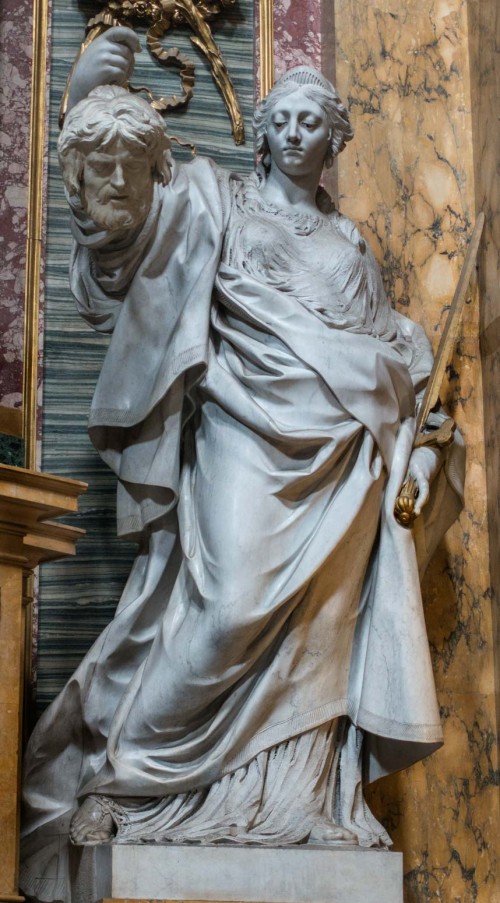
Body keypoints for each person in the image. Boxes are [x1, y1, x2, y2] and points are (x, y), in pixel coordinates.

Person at [20, 29, 465, 902]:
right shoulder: (216, 199)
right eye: (284, 120)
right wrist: (92, 122)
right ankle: (122, 774)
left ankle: (295, 802)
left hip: (344, 464)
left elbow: (388, 350)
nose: (297, 133)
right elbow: (127, 240)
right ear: (262, 134)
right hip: (241, 434)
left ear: (334, 142)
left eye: (314, 122)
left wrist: (421, 433)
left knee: (315, 641)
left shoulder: (354, 242)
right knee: (222, 608)